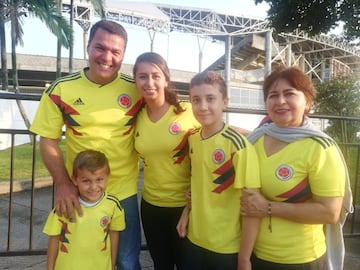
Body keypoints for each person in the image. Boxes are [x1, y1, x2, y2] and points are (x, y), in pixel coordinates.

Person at [30, 20, 143, 270]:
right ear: (88, 46)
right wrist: (62, 183)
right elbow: (47, 139)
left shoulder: (136, 88)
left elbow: (172, 113)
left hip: (123, 193)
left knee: (125, 261)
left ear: (123, 55)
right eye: (100, 48)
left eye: (116, 52)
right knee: (77, 260)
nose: (107, 57)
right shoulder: (61, 89)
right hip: (79, 192)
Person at [242, 66, 353, 270]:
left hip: (301, 259)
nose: (280, 101)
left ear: (308, 101)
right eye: (273, 95)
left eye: (290, 94)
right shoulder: (255, 141)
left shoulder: (320, 149)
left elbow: (329, 213)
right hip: (258, 255)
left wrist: (268, 207)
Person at [176, 70, 261, 270]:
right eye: (196, 100)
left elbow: (253, 205)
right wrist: (185, 213)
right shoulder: (193, 139)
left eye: (210, 99)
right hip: (193, 239)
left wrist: (244, 258)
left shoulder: (238, 145)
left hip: (226, 248)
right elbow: (198, 184)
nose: (203, 106)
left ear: (225, 102)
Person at [132, 52, 199, 270]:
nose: (149, 82)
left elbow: (219, 134)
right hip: (151, 206)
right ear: (135, 81)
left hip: (185, 206)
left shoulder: (187, 111)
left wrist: (260, 134)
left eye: (155, 76)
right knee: (161, 265)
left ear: (166, 80)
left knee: (186, 265)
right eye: (142, 76)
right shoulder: (136, 117)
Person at [44, 150, 125, 270]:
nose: (93, 187)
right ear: (75, 180)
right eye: (86, 181)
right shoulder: (65, 205)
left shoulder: (113, 205)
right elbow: (54, 239)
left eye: (99, 180)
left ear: (108, 177)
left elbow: (114, 234)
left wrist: (112, 265)